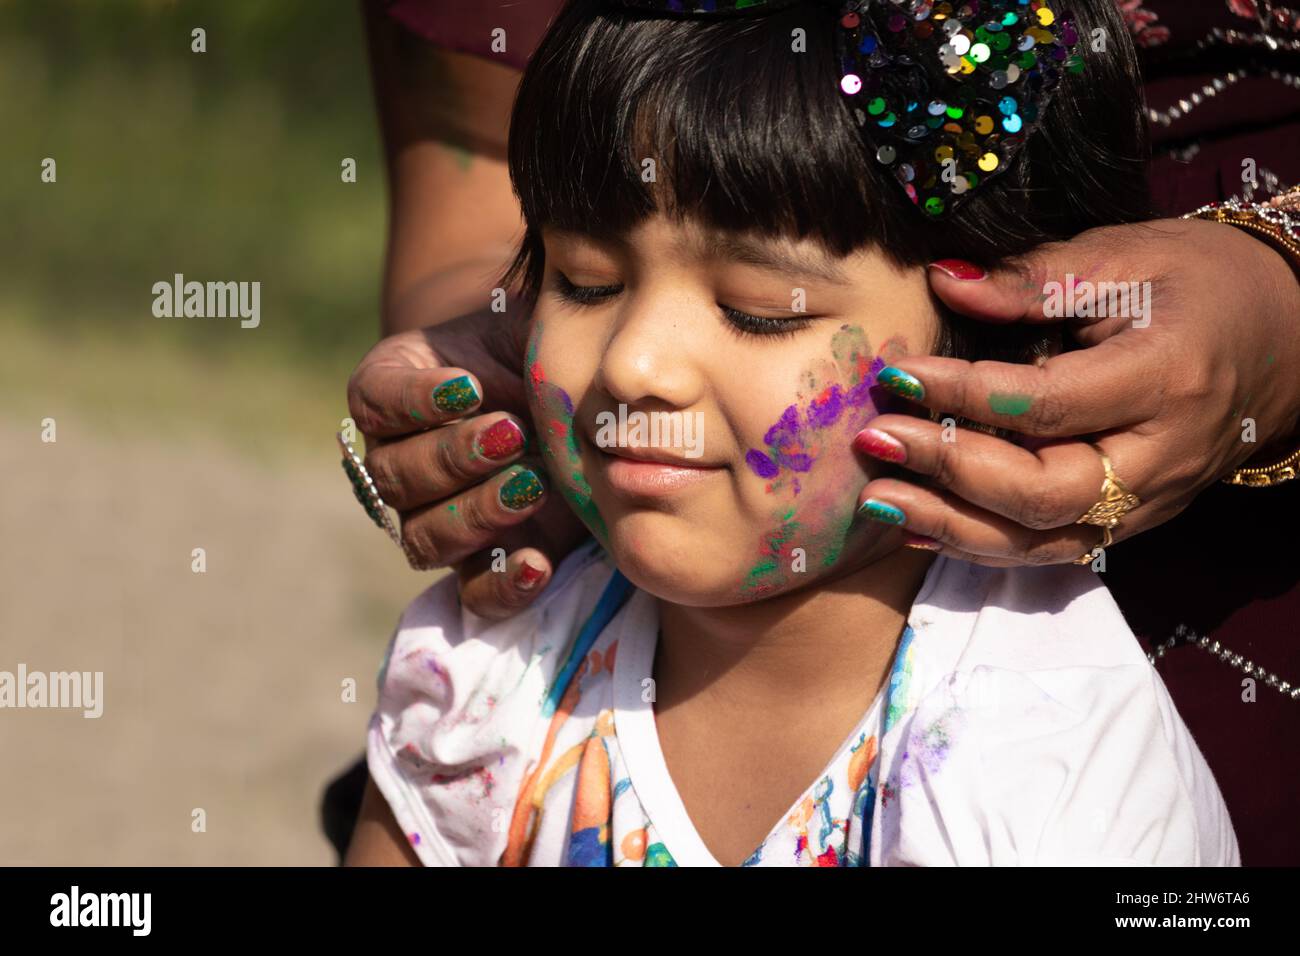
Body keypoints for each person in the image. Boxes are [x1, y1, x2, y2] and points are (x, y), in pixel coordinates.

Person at [331, 0, 1300, 863]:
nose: (633, 364)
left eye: (758, 308)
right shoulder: (483, 684)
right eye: (584, 280)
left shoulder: (1047, 760)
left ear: (1003, 335)